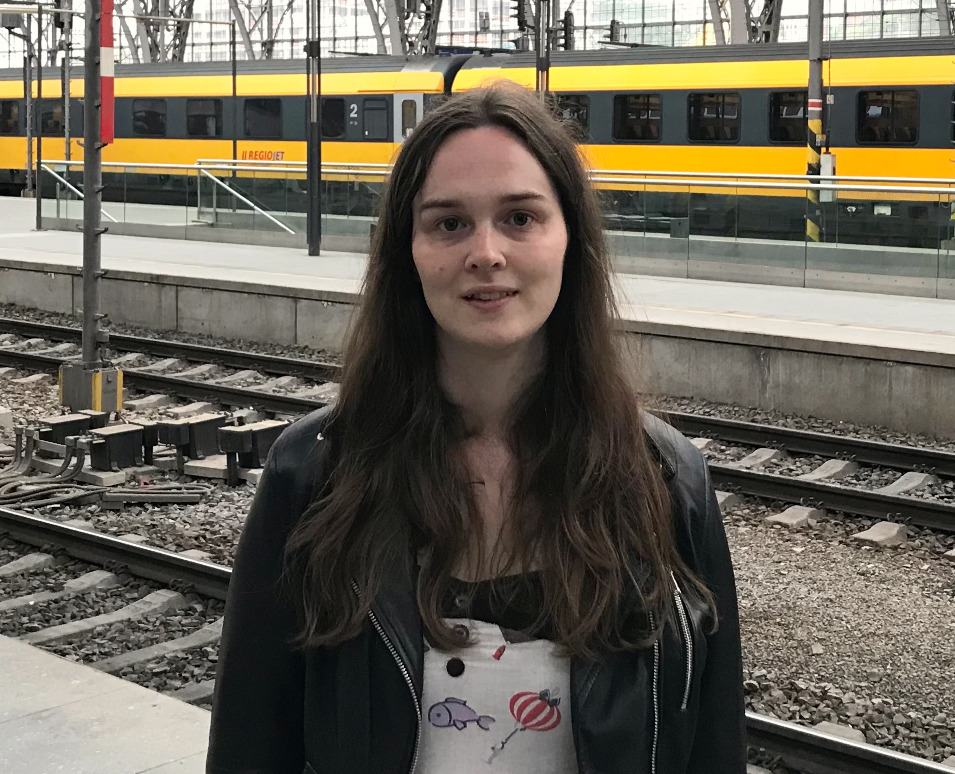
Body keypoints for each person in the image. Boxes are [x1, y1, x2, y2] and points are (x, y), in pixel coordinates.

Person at [207, 82, 745, 774]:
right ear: (407, 251)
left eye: (520, 218)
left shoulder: (667, 480)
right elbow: (251, 748)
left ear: (569, 240)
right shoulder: (312, 473)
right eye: (449, 223)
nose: (485, 252)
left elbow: (712, 748)